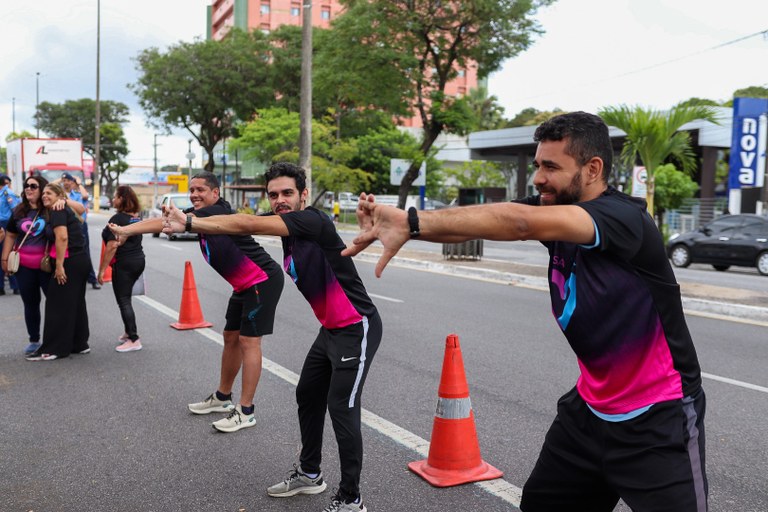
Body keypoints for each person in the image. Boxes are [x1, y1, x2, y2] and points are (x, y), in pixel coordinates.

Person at [344, 112, 707, 512]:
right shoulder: (556, 209)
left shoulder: (623, 219)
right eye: (537, 165)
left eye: (551, 167)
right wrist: (410, 229)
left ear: (593, 169)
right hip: (589, 410)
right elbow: (478, 223)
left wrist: (411, 220)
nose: (538, 178)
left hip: (659, 415)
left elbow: (518, 222)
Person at [162, 162, 381, 512]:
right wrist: (181, 222)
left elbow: (246, 223)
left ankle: (351, 498)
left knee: (342, 407)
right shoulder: (288, 229)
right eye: (274, 194)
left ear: (303, 195)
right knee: (308, 393)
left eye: (287, 193)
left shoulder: (313, 220)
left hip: (357, 327)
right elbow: (235, 223)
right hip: (331, 330)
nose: (279, 200)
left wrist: (191, 222)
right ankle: (310, 475)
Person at [109, 172, 284, 433]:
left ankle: (246, 411)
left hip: (262, 280)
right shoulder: (198, 215)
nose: (194, 194)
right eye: (192, 190)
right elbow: (163, 222)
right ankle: (223, 398)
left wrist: (130, 228)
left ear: (216, 193)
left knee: (249, 341)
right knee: (230, 336)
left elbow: (167, 221)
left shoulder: (217, 212)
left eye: (201, 189)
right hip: (244, 284)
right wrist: (125, 230)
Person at [1, 177, 86, 355]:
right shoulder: (19, 210)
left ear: (42, 190)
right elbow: (10, 234)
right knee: (30, 303)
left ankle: (63, 340)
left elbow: (81, 211)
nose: (28, 189)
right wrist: (4, 259)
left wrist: (63, 200)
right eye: (26, 186)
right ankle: (34, 340)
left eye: (33, 186)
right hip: (24, 267)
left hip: (48, 265)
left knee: (57, 304)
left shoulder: (52, 207)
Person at [26, 183, 91, 361]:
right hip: (79, 260)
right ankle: (79, 344)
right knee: (75, 303)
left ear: (59, 196)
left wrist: (60, 265)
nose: (45, 196)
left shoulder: (58, 210)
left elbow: (62, 237)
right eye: (43, 193)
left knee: (57, 304)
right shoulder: (60, 209)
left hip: (70, 262)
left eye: (49, 193)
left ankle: (54, 349)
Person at [99, 185, 146, 353]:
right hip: (138, 260)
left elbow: (111, 247)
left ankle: (134, 339)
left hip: (125, 263)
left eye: (116, 196)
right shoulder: (135, 217)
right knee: (126, 298)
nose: (113, 199)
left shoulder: (117, 219)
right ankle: (128, 331)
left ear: (122, 199)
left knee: (123, 299)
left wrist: (102, 270)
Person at [60, 172, 100, 289]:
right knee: (66, 251)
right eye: (64, 180)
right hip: (65, 225)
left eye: (69, 180)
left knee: (85, 252)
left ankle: (92, 279)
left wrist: (79, 183)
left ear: (73, 182)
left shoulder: (77, 195)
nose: (66, 182)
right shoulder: (60, 194)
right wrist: (59, 180)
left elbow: (86, 196)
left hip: (79, 225)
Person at [0, 173, 22, 295]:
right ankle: (1, 286)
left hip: (7, 226)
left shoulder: (8, 194)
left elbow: (16, 211)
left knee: (8, 255)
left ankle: (15, 286)